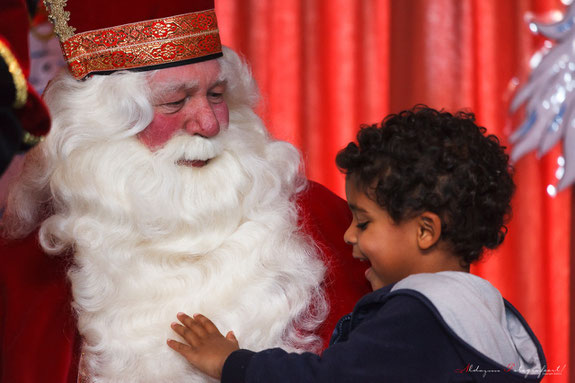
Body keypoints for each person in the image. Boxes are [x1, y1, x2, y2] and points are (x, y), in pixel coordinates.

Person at [0, 1, 369, 382]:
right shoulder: (23, 270)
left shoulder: (328, 222)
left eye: (217, 94)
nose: (209, 124)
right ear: (103, 122)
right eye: (175, 102)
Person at [165, 106, 547, 382]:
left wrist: (230, 362)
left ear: (425, 232)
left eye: (364, 222)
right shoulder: (486, 310)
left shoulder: (417, 317)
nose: (348, 235)